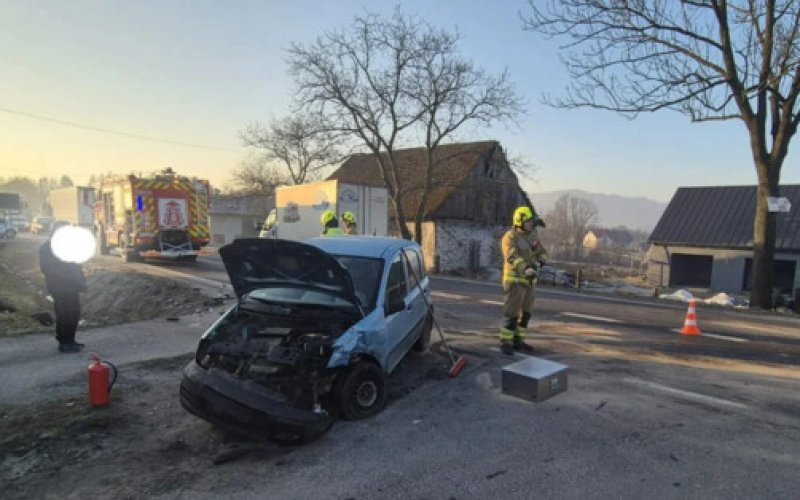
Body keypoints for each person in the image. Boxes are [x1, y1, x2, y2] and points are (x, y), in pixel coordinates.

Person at [499, 205, 548, 355]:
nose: (530, 224)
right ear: (519, 221)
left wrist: (539, 262)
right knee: (511, 313)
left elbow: (543, 253)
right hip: (515, 281)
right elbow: (512, 256)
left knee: (526, 314)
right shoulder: (510, 237)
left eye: (531, 222)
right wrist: (525, 268)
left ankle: (518, 341)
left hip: (530, 282)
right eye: (528, 221)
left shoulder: (532, 236)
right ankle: (506, 343)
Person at [40, 222, 87, 353]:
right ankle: (63, 342)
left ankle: (71, 340)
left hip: (72, 287)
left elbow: (76, 265)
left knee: (74, 314)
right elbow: (47, 268)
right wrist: (67, 276)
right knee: (64, 314)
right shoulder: (47, 248)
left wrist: (81, 280)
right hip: (59, 287)